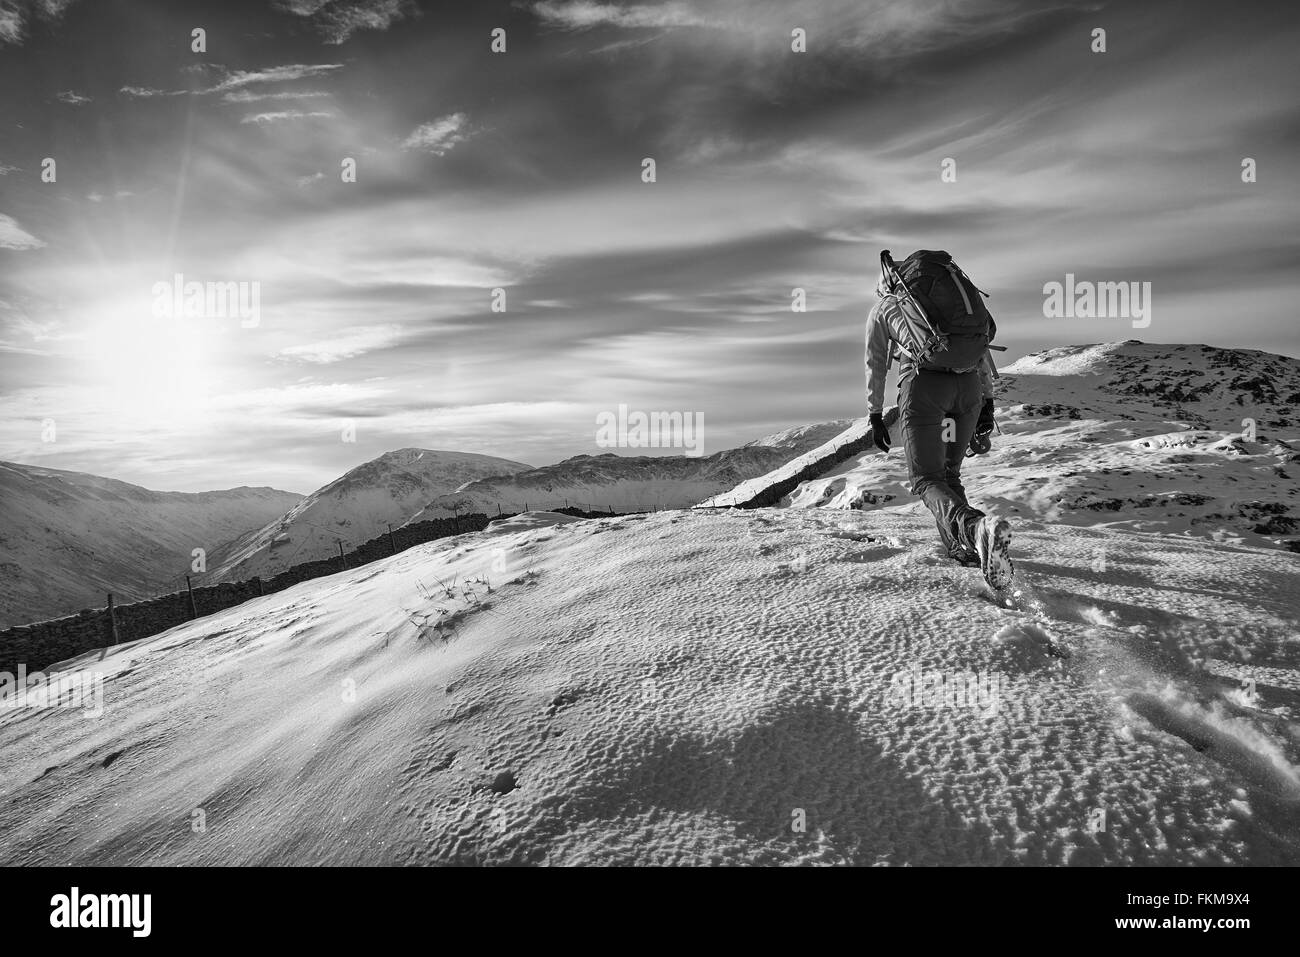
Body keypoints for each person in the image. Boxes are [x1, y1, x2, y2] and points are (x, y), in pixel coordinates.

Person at [863, 250, 1013, 591]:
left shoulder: (886, 307)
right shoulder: (952, 307)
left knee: (926, 480)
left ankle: (975, 529)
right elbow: (981, 349)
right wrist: (986, 401)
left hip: (923, 387)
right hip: (969, 388)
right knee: (948, 475)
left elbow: (875, 363)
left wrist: (875, 413)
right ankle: (965, 549)